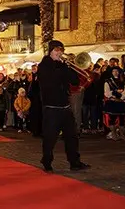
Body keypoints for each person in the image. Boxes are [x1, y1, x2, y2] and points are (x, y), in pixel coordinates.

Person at [38, 40, 90, 172]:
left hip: (65, 107)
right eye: (56, 50)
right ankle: (47, 161)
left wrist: (68, 67)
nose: (59, 53)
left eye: (61, 50)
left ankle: (75, 162)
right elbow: (50, 81)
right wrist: (62, 67)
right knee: (50, 138)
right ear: (50, 51)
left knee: (72, 137)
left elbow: (75, 81)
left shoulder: (64, 66)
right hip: (51, 108)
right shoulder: (44, 65)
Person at [103, 67, 125, 141]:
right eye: (113, 71)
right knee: (112, 119)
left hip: (121, 102)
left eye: (116, 71)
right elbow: (106, 93)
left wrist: (121, 96)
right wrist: (114, 92)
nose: (115, 72)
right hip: (112, 102)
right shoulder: (107, 81)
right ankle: (113, 134)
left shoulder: (123, 82)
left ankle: (122, 134)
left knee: (122, 119)